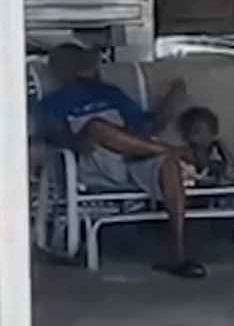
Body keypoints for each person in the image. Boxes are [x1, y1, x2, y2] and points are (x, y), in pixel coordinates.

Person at [36, 43, 207, 279]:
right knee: (96, 127)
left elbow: (145, 127)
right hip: (94, 161)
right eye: (83, 65)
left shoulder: (111, 93)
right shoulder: (53, 102)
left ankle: (178, 254)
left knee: (168, 165)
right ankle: (174, 151)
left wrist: (170, 103)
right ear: (66, 71)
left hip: (134, 157)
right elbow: (52, 136)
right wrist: (76, 140)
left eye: (91, 65)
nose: (93, 70)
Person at [177, 106, 234, 182]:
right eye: (200, 132)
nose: (207, 136)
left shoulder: (212, 149)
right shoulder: (189, 153)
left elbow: (232, 166)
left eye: (210, 130)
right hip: (207, 183)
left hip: (222, 176)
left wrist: (222, 147)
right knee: (226, 167)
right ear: (189, 135)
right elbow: (206, 167)